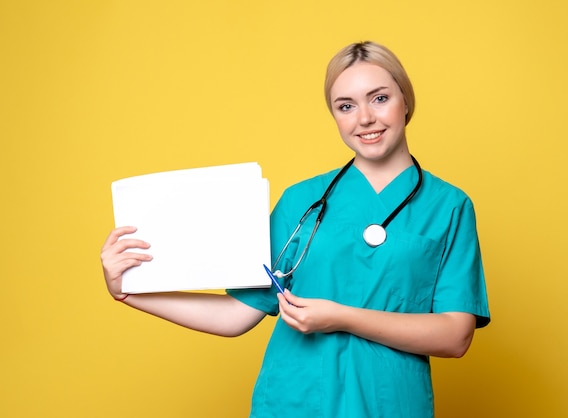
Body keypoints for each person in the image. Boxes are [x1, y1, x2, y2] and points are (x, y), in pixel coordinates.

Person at [101, 41, 490, 418]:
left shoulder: (449, 206)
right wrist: (129, 293)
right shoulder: (300, 201)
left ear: (406, 101)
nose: (365, 118)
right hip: (296, 399)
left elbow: (455, 336)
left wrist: (341, 317)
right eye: (346, 106)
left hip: (388, 402)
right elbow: (237, 315)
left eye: (380, 98)